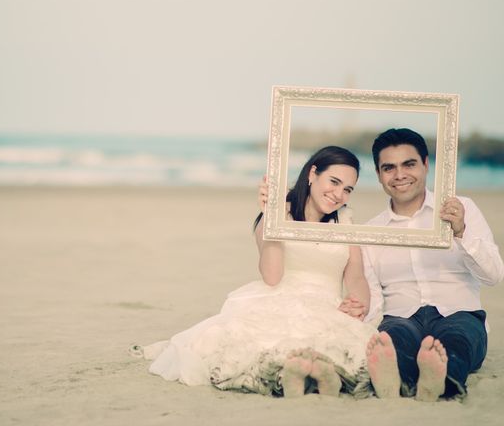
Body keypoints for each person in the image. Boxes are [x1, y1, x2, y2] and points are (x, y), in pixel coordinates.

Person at [132, 146, 377, 397]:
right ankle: (297, 376)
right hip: (281, 300)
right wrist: (272, 218)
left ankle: (318, 377)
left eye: (347, 189)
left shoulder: (346, 220)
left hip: (328, 305)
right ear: (313, 174)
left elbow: (356, 275)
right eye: (334, 182)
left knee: (345, 349)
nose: (338, 194)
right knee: (266, 346)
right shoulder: (277, 214)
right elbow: (272, 276)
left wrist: (359, 304)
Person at [362, 128, 504, 401]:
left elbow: (493, 276)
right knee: (393, 340)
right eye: (389, 168)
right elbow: (374, 295)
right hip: (400, 315)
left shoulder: (461, 208)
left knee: (456, 341)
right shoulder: (372, 231)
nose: (400, 174)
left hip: (460, 312)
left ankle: (439, 382)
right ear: (379, 174)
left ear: (426, 165)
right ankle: (396, 382)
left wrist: (461, 232)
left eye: (409, 164)